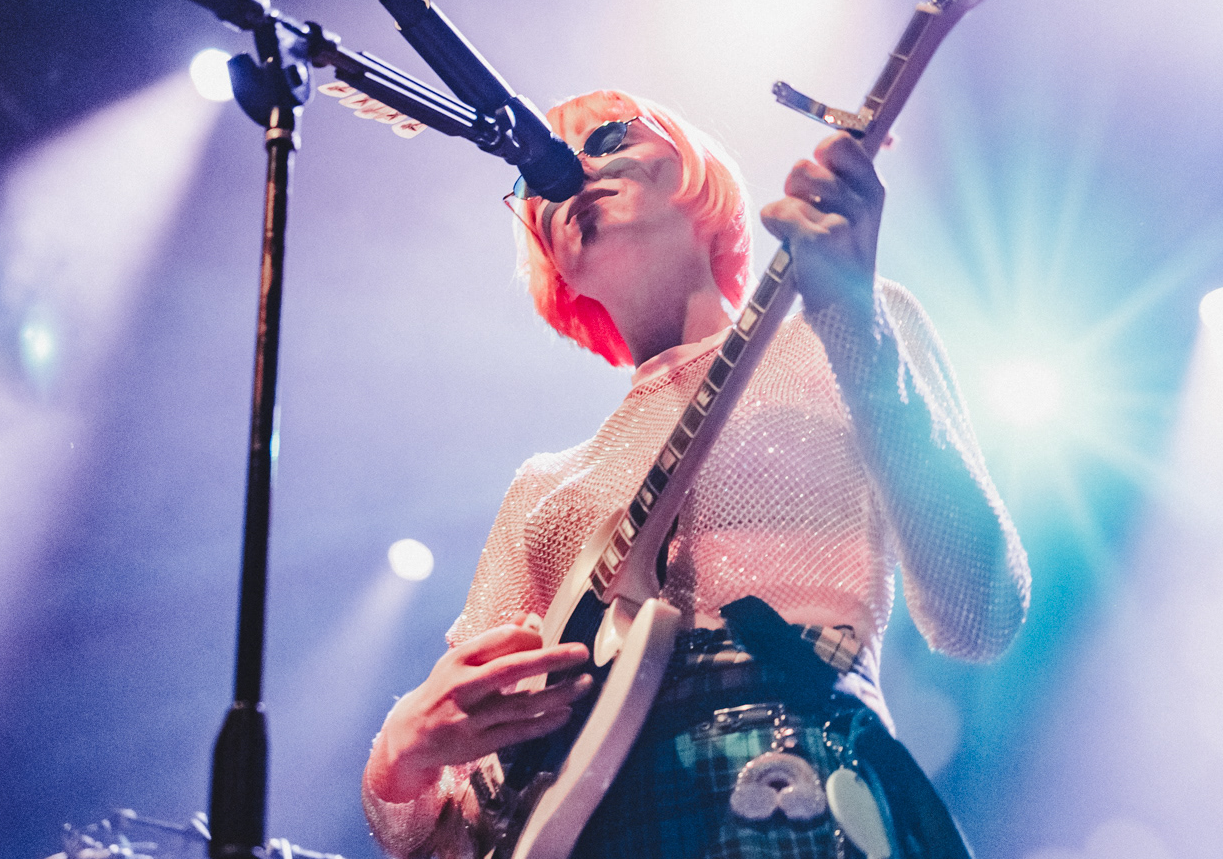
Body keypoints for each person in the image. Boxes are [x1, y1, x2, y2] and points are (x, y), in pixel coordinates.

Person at [361, 89, 1029, 859]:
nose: (567, 173)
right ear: (556, 269)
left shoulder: (846, 330)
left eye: (609, 137)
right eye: (530, 187)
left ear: (695, 175)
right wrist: (400, 759)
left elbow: (980, 615)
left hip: (798, 793)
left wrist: (854, 323)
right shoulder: (545, 491)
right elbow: (450, 834)